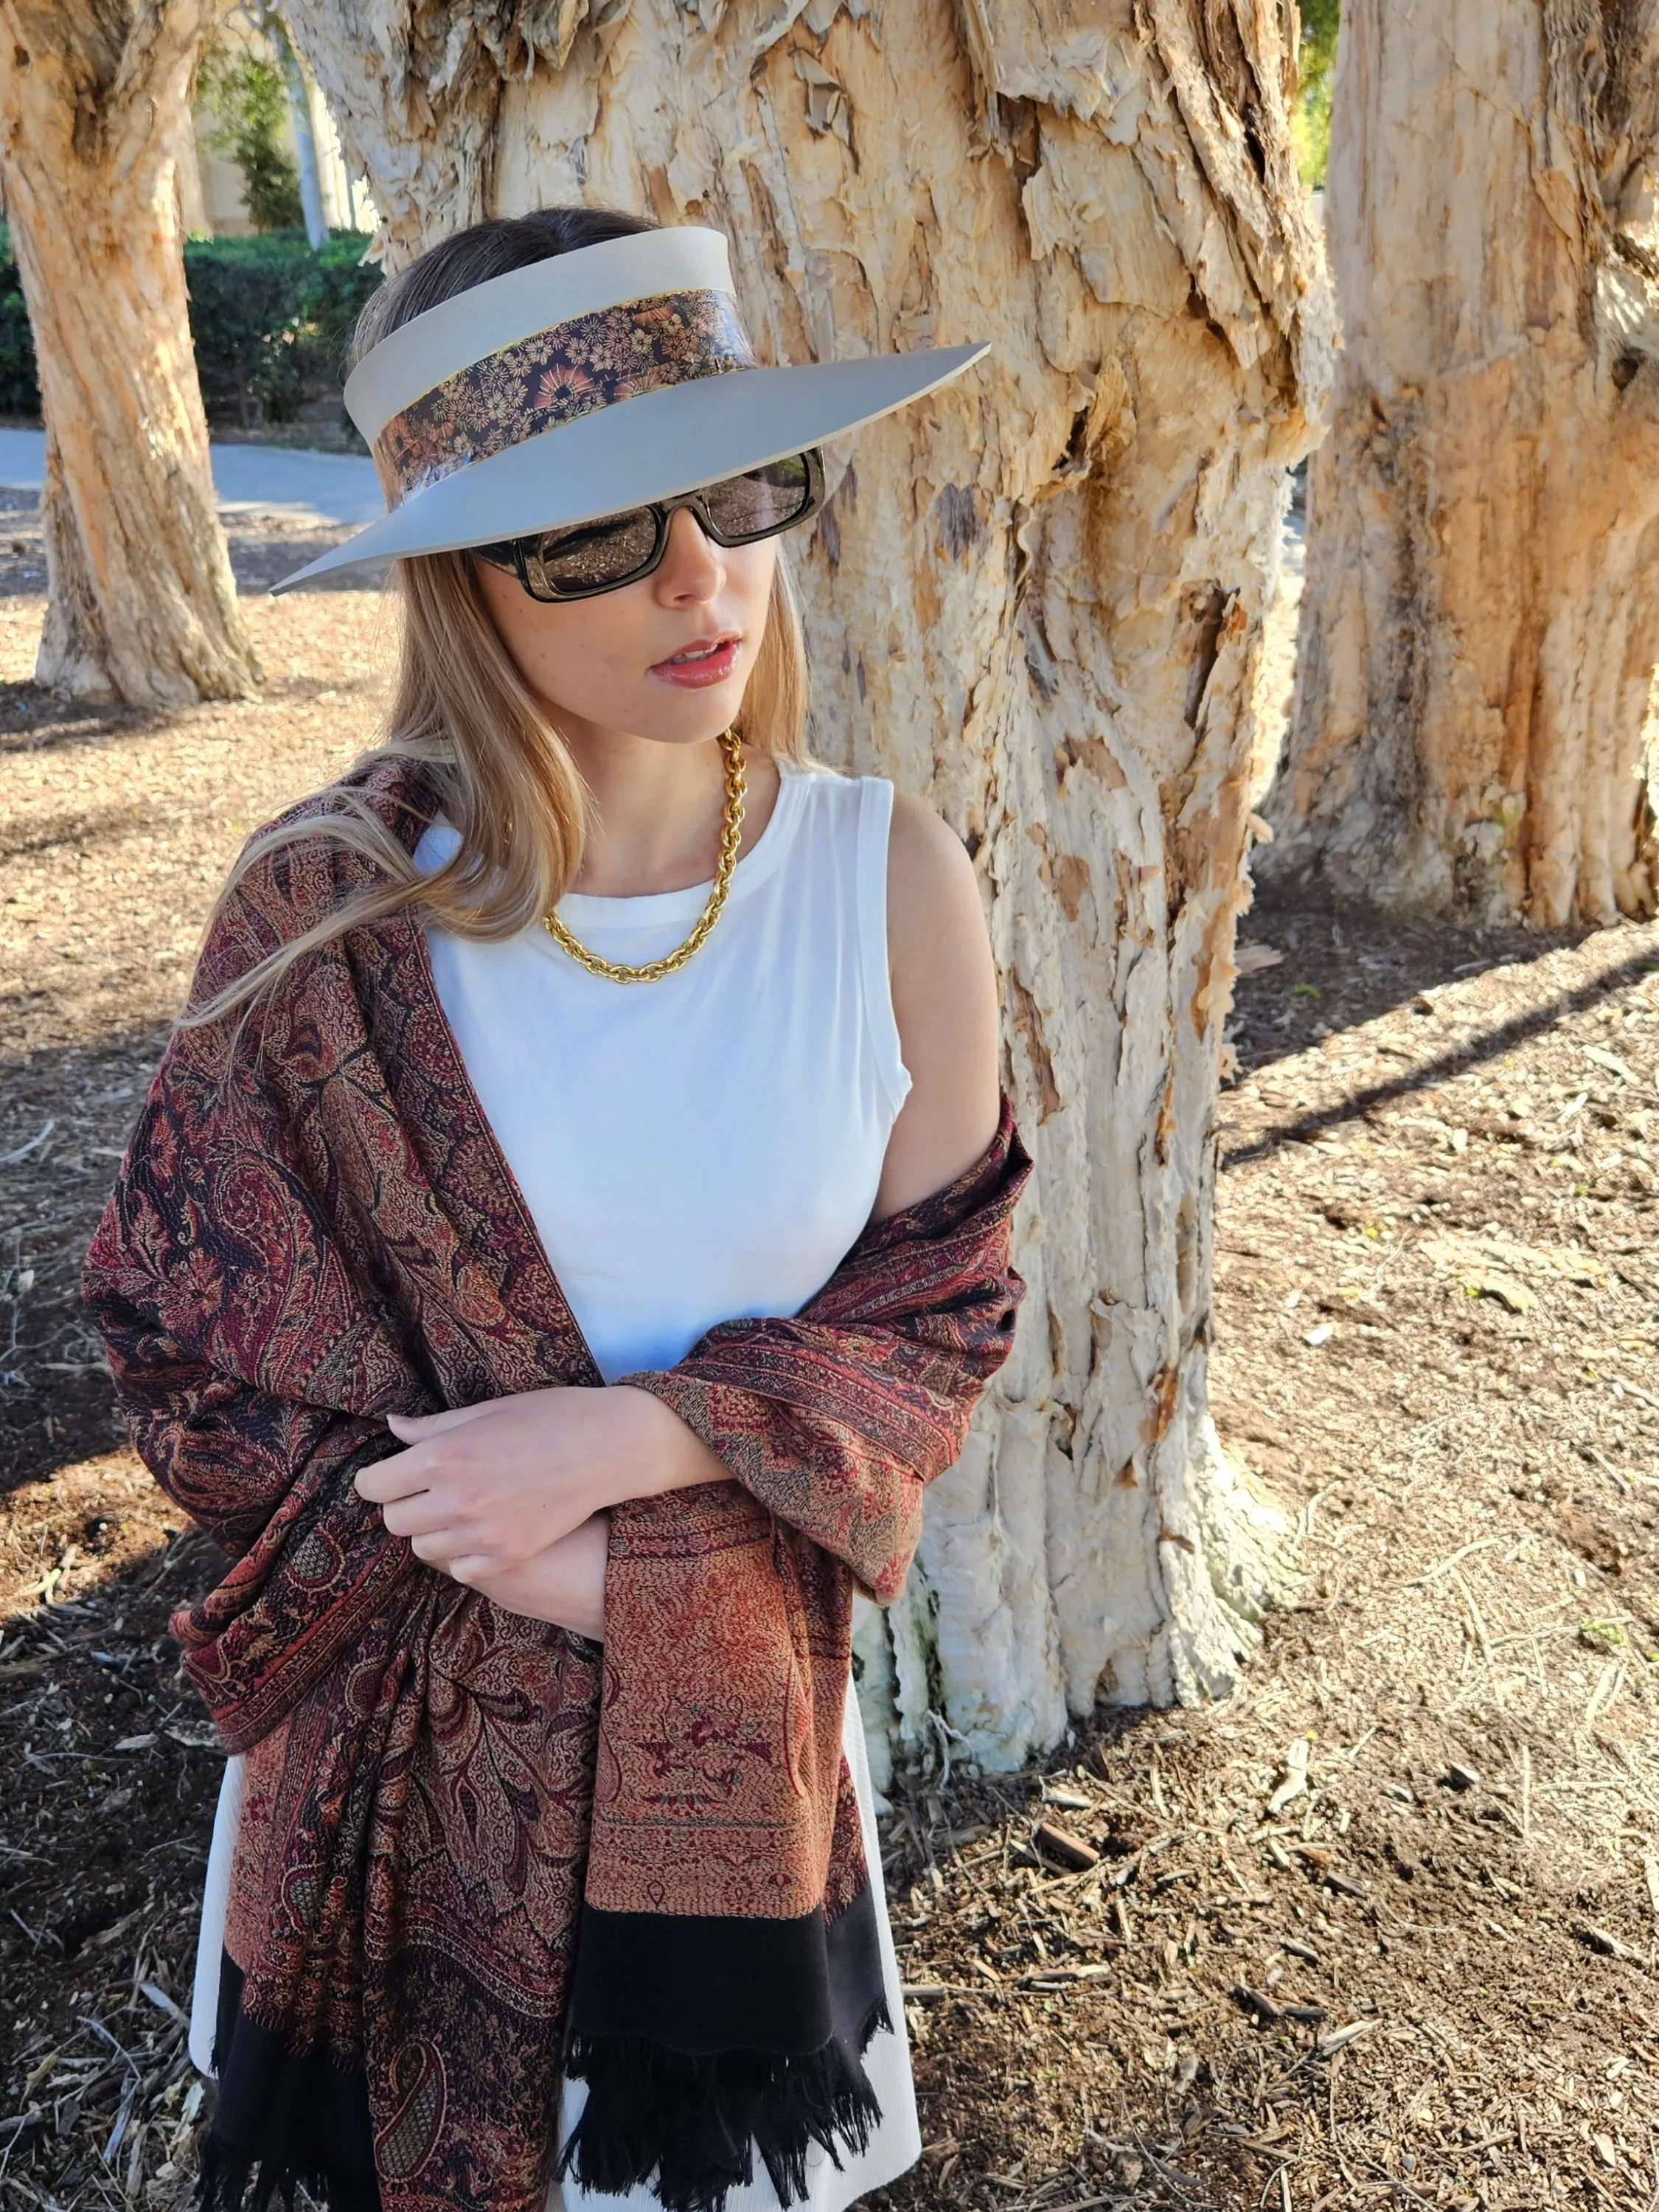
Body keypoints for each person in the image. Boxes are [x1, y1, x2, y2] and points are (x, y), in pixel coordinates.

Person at [80, 206, 1032, 2212]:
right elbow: (195, 1353)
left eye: (730, 494)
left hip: (745, 1823)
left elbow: (936, 1314)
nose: (703, 577)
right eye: (593, 534)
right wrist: (493, 1544)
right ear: (459, 582)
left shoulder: (889, 882)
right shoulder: (321, 921)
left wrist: (632, 1471)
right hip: (381, 1833)